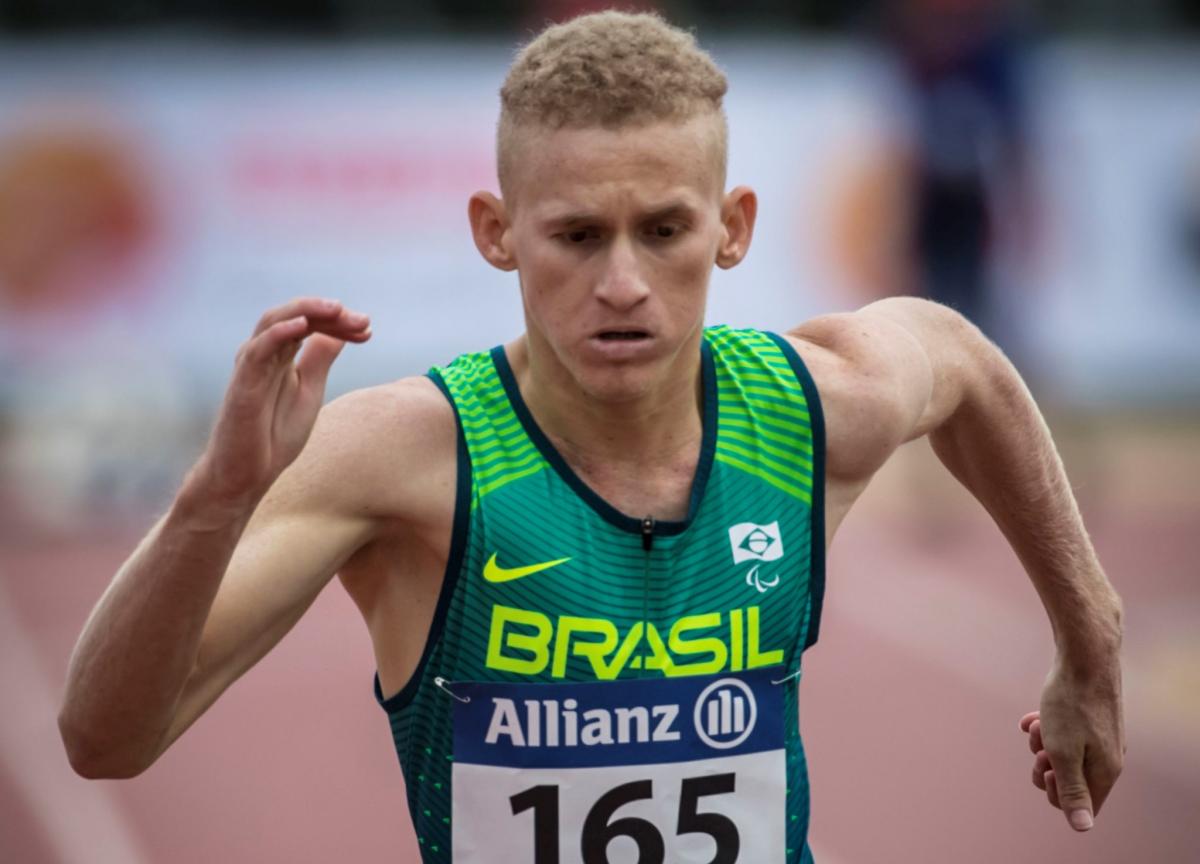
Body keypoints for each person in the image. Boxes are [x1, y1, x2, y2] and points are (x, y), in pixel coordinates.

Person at [58, 11, 1124, 863]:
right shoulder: (407, 458)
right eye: (575, 236)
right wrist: (213, 499)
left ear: (733, 227)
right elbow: (104, 740)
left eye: (664, 230)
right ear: (497, 233)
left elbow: (959, 357)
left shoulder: (805, 410)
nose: (623, 285)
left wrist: (1092, 643)